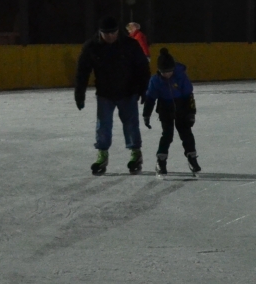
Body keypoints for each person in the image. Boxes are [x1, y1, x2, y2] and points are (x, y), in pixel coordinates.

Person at [74, 16, 151, 174]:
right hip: (105, 93)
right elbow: (82, 71)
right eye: (106, 33)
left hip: (128, 92)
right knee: (103, 126)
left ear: (118, 31)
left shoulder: (130, 44)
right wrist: (79, 93)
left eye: (113, 33)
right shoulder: (91, 46)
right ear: (100, 32)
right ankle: (102, 154)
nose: (110, 36)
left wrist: (144, 89)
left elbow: (142, 68)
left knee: (131, 125)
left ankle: (135, 153)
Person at [142, 47, 200, 175]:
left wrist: (191, 113)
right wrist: (146, 114)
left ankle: (192, 158)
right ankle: (161, 160)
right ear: (159, 70)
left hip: (182, 109)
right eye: (164, 72)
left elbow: (189, 96)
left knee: (186, 134)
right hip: (165, 110)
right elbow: (150, 98)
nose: (167, 74)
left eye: (169, 71)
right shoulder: (155, 81)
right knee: (167, 135)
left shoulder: (181, 77)